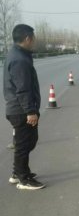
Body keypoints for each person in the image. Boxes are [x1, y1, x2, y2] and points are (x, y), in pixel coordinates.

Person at [3, 24, 44, 190]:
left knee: (26, 142)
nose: (34, 41)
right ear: (28, 38)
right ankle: (23, 179)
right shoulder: (19, 59)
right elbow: (23, 89)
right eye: (33, 38)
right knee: (24, 144)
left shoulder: (17, 54)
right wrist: (31, 111)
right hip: (21, 110)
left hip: (18, 108)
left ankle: (17, 172)